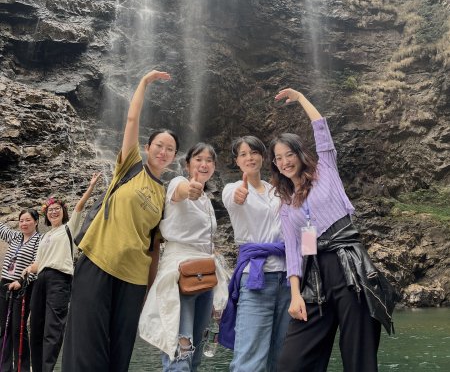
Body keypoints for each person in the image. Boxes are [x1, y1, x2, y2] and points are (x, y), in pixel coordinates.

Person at [269, 88, 396, 372]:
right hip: (315, 274)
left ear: (300, 154)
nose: (285, 161)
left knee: (357, 354)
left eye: (289, 154)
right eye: (278, 158)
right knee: (292, 361)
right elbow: (294, 252)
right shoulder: (287, 204)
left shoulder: (326, 171)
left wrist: (300, 98)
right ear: (275, 165)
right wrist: (295, 295)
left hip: (349, 266)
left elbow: (321, 130)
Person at [62, 70, 179, 372]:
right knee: (86, 342)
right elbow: (131, 120)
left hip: (134, 279)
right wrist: (144, 83)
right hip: (98, 261)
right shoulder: (131, 166)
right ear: (147, 148)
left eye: (170, 149)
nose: (163, 151)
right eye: (159, 145)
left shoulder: (165, 194)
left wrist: (150, 290)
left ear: (174, 157)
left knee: (120, 349)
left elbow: (154, 247)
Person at [139, 142, 229, 372]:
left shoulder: (207, 201)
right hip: (181, 274)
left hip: (205, 276)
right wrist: (190, 188)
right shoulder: (178, 183)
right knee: (180, 350)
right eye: (198, 159)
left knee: (196, 352)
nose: (204, 164)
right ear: (187, 164)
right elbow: (181, 192)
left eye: (209, 160)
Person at [218, 136, 290, 371]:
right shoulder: (232, 189)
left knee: (280, 357)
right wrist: (239, 195)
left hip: (286, 279)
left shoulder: (276, 190)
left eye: (254, 152)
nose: (249, 158)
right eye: (243, 154)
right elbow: (234, 199)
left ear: (263, 156)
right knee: (249, 359)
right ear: (237, 161)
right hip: (256, 278)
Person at [23, 174, 100, 372]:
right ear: (46, 215)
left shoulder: (69, 228)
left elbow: (79, 207)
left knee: (53, 326)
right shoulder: (45, 236)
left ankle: (47, 368)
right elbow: (39, 263)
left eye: (57, 209)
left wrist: (91, 187)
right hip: (40, 279)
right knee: (36, 326)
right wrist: (27, 269)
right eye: (50, 210)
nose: (54, 212)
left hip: (59, 280)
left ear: (63, 212)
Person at [0, 208, 40, 372]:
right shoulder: (15, 236)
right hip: (4, 285)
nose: (24, 223)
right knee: (3, 328)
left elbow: (38, 265)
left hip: (23, 286)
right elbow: (1, 228)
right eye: (21, 220)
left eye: (28, 220)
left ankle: (22, 368)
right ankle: (4, 367)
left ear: (36, 222)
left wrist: (22, 281)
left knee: (18, 329)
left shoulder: (39, 240)